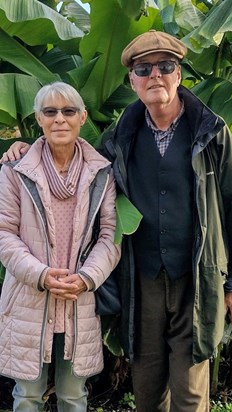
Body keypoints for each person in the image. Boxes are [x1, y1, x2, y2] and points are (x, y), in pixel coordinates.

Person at [2, 30, 232, 412]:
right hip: (140, 280)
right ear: (133, 80)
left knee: (191, 390)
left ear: (179, 75)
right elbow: (72, 154)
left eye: (165, 66)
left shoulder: (212, 133)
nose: (155, 75)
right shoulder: (120, 137)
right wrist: (26, 146)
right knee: (146, 385)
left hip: (196, 276)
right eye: (144, 69)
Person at [0, 81, 120, 412]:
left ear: (82, 117)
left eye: (68, 111)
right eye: (50, 112)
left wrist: (86, 277)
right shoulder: (15, 170)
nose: (59, 119)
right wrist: (40, 274)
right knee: (27, 397)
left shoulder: (101, 173)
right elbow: (4, 232)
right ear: (38, 118)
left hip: (77, 300)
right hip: (30, 298)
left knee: (73, 396)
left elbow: (110, 234)